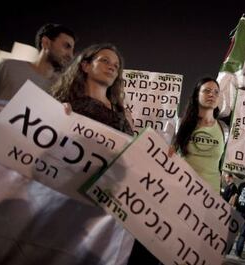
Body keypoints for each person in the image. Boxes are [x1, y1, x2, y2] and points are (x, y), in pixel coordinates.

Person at [51, 43, 162, 264]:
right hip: (74, 200)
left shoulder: (122, 113)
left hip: (112, 202)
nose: (112, 67)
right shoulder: (67, 106)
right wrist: (56, 118)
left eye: (116, 65)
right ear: (84, 65)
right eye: (105, 60)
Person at [172, 77, 228, 193]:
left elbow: (232, 167)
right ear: (196, 96)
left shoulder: (225, 129)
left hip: (210, 198)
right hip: (181, 190)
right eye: (206, 91)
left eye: (216, 92)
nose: (211, 94)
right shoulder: (180, 125)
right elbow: (167, 156)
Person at [0, 23, 75, 100]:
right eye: (66, 46)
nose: (71, 55)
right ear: (46, 43)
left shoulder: (62, 87)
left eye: (72, 50)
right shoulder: (9, 67)